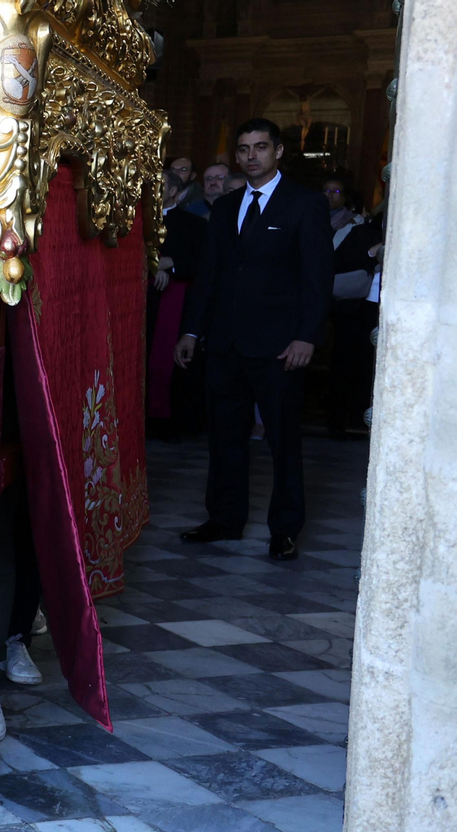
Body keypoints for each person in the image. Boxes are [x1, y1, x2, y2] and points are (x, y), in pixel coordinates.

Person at [175, 118, 333, 561]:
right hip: (225, 344)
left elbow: (317, 279)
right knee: (225, 438)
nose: (251, 156)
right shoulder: (225, 209)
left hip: (281, 346)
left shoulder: (305, 205)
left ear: (278, 152)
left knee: (283, 442)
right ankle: (224, 520)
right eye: (244, 149)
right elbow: (208, 276)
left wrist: (307, 337)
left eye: (260, 147)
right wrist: (191, 330)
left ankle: (284, 530)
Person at [322, 180, 383, 437]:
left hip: (385, 309)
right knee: (346, 362)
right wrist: (371, 256)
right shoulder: (362, 232)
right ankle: (339, 421)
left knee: (372, 365)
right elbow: (337, 265)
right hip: (355, 307)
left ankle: (365, 420)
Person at [146, 173, 206, 431]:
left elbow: (202, 264)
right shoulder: (133, 220)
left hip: (176, 301)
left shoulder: (194, 224)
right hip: (140, 302)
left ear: (174, 192)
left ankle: (168, 422)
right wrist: (151, 266)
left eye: (160, 187)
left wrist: (171, 265)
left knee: (170, 360)